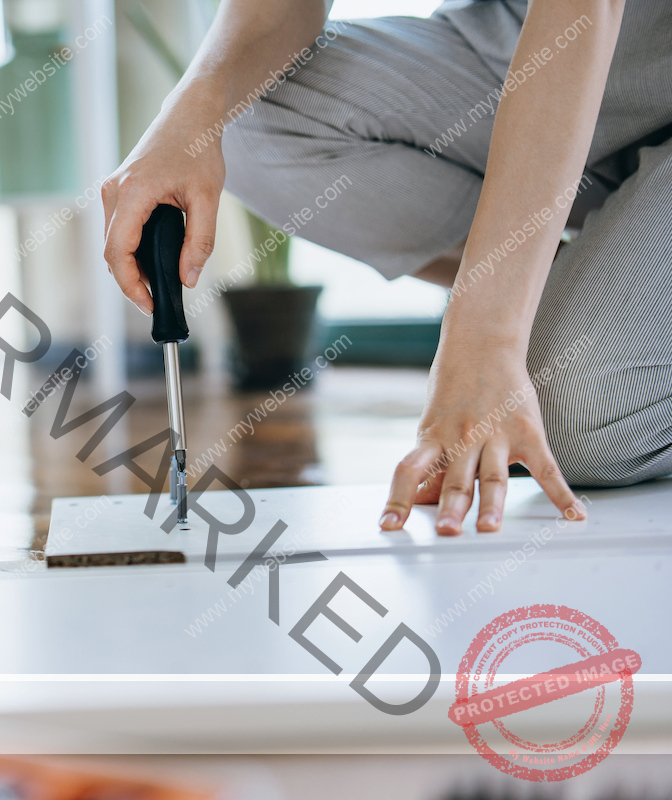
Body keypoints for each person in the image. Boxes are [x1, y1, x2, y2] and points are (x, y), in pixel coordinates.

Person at [101, 0, 672, 535]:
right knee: (244, 112)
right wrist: (186, 116)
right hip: (517, 40)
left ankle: (591, 305)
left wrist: (486, 336)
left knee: (568, 414)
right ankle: (606, 276)